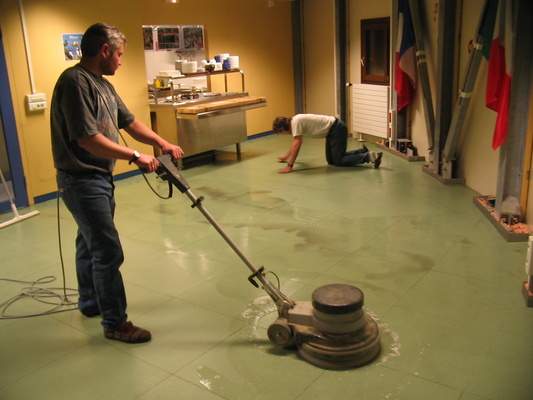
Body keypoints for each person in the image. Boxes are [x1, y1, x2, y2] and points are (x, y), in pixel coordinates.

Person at [51, 23, 184, 343]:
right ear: (105, 51)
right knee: (107, 251)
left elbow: (129, 121)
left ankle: (90, 301)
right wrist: (135, 155)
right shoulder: (74, 83)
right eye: (120, 55)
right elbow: (86, 139)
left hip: (98, 178)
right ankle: (115, 323)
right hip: (81, 179)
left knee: (89, 242)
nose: (122, 61)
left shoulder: (102, 84)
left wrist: (159, 142)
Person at [273, 114, 383, 173]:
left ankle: (368, 156)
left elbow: (297, 144)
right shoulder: (295, 121)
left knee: (338, 160)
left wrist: (290, 165)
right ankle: (360, 152)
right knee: (331, 161)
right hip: (331, 131)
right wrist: (286, 156)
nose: (283, 134)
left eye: (281, 132)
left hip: (336, 129)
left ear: (283, 128)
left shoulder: (295, 122)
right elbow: (295, 142)